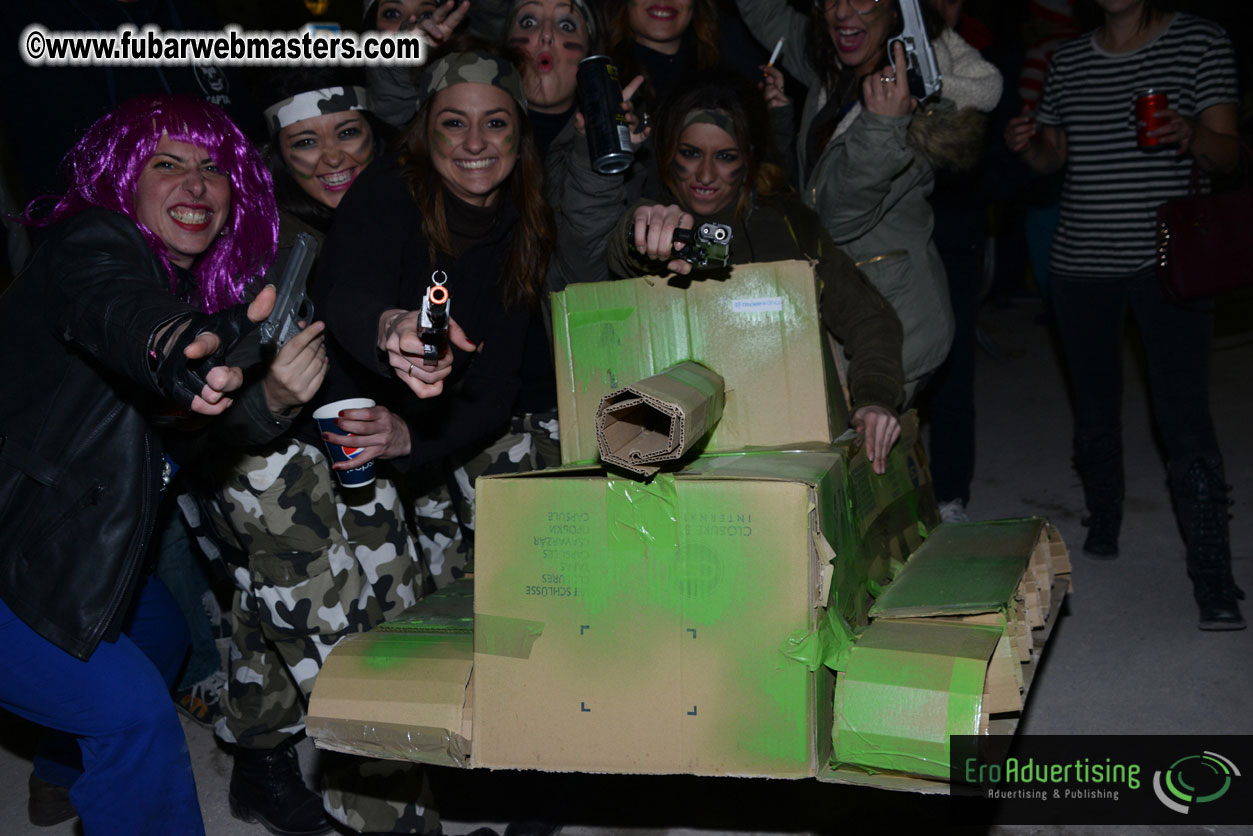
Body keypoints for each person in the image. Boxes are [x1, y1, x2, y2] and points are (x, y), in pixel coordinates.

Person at [0, 93, 283, 836]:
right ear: (123, 181)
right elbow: (116, 308)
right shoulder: (91, 243)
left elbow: (186, 435)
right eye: (167, 164)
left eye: (212, 167)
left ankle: (59, 778)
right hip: (10, 548)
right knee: (133, 717)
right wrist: (173, 342)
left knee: (161, 635)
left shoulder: (190, 287)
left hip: (58, 533)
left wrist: (272, 390)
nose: (194, 183)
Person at [199, 68, 457, 836]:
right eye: (303, 142)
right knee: (349, 638)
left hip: (356, 446)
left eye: (347, 132)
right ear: (277, 154)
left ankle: (260, 764)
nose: (331, 156)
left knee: (278, 608)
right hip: (265, 456)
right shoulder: (253, 239)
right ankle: (391, 822)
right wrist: (272, 396)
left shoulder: (407, 210)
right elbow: (209, 402)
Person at [1005, 0, 1243, 629]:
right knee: (1094, 403)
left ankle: (1214, 576)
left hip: (1170, 262)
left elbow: (1230, 153)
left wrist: (1192, 134)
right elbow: (1055, 157)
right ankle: (1105, 516)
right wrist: (1031, 147)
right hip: (1080, 261)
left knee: (1183, 415)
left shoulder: (1200, 41)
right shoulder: (1069, 59)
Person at [318, 39, 557, 590]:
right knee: (385, 606)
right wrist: (391, 327)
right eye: (454, 123)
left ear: (520, 139)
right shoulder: (386, 192)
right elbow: (348, 295)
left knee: (519, 571)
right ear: (427, 133)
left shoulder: (525, 222)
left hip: (431, 422)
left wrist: (410, 436)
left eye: (495, 123)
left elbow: (497, 382)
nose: (475, 142)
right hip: (344, 416)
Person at [607, 72, 907, 472]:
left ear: (748, 158)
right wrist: (640, 233)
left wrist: (875, 399)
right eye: (691, 153)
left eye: (726, 156)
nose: (706, 175)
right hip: (662, 447)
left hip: (782, 442)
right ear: (667, 153)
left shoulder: (786, 224)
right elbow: (621, 251)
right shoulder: (653, 216)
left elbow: (869, 318)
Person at [735, 0, 1002, 400]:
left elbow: (838, 218)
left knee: (867, 449)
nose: (843, 12)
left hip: (892, 322)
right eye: (831, 0)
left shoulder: (918, 101)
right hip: (843, 304)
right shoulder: (836, 68)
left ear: (897, 11)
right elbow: (766, 13)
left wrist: (882, 127)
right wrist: (783, 124)